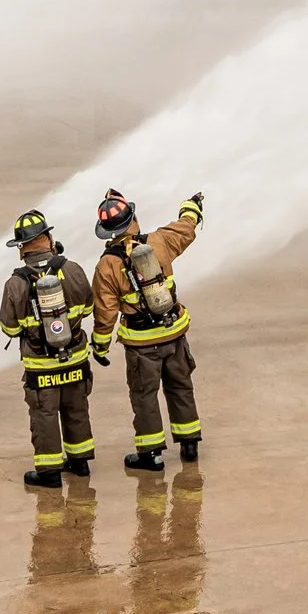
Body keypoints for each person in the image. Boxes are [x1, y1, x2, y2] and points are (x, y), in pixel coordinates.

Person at [91, 189, 204, 470]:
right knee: (180, 386)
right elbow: (186, 228)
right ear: (133, 217)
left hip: (142, 345)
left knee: (145, 397)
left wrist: (100, 346)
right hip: (174, 334)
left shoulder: (107, 265)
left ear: (107, 232)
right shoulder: (160, 241)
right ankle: (189, 444)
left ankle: (151, 455)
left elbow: (105, 312)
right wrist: (192, 206)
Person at [0, 209, 98, 488]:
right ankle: (80, 463)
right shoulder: (73, 270)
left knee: (44, 416)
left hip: (41, 367)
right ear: (49, 238)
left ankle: (49, 473)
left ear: (21, 249)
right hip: (76, 359)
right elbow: (88, 308)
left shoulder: (16, 284)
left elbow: (9, 328)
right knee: (76, 408)